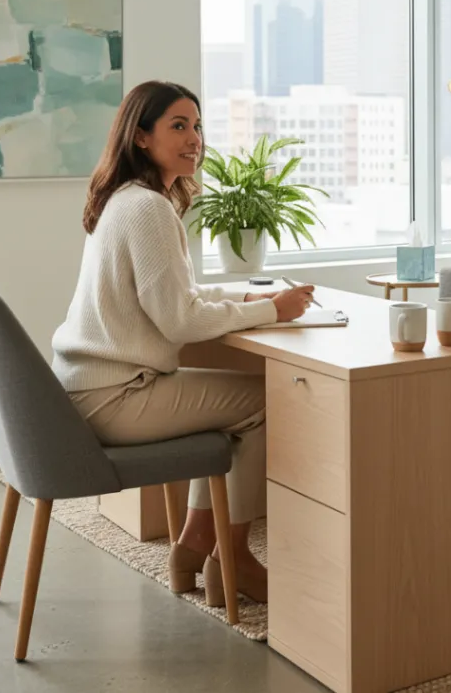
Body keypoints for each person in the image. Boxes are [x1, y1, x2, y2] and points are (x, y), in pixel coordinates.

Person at [52, 81, 315, 605]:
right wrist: (270, 310)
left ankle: (194, 545)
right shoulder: (149, 209)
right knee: (266, 403)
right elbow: (178, 321)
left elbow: (173, 295)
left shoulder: (124, 201)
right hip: (118, 397)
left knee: (237, 403)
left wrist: (243, 293)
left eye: (197, 126)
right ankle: (232, 556)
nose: (194, 138)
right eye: (178, 126)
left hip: (90, 390)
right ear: (142, 137)